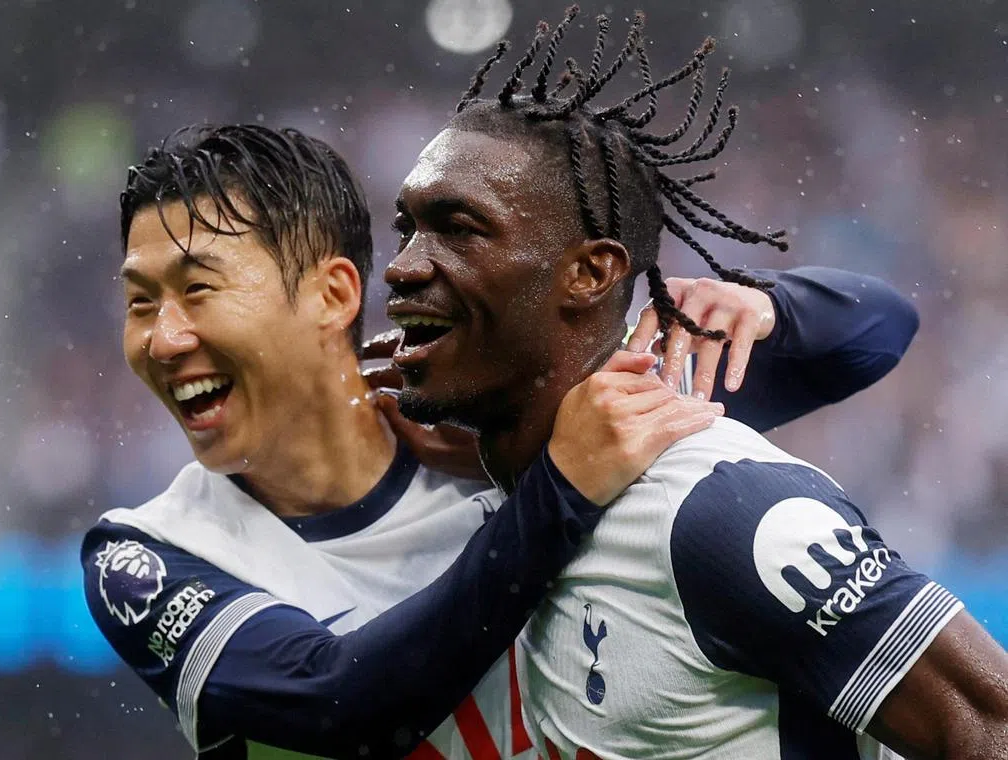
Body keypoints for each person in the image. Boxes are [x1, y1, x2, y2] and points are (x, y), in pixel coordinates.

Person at [83, 116, 918, 760]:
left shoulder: (496, 423)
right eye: (141, 302)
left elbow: (877, 329)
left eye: (199, 290)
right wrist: (556, 492)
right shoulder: (146, 555)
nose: (162, 339)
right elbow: (337, 705)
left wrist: (765, 305)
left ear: (334, 293)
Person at [384, 8, 1008, 760]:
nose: (405, 264)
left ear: (589, 274)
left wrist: (774, 303)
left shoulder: (720, 509)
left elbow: (990, 725)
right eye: (407, 227)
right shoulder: (506, 507)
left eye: (459, 228)